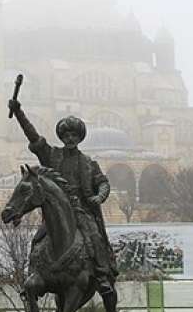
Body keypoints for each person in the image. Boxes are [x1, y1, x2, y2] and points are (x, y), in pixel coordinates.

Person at [8, 98, 118, 295]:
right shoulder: (52, 156)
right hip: (58, 210)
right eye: (66, 135)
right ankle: (32, 275)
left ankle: (102, 276)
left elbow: (103, 183)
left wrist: (99, 198)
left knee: (94, 237)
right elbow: (34, 138)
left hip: (82, 211)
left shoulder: (88, 163)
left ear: (79, 138)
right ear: (62, 137)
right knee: (37, 240)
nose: (70, 138)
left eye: (74, 135)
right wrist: (19, 113)